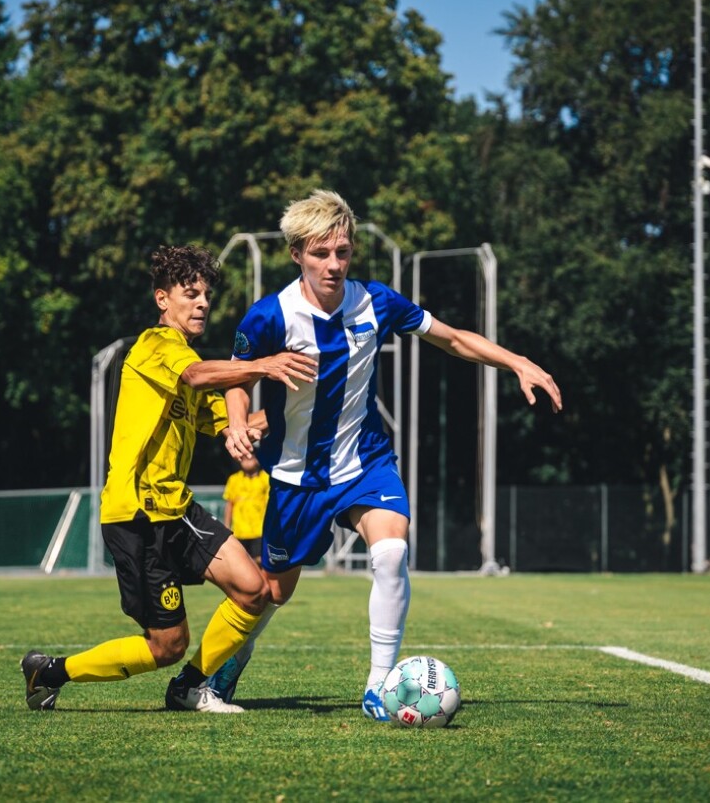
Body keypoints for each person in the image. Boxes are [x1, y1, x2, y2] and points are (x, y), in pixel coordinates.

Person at [200, 189, 563, 721]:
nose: (334, 264)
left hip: (365, 463)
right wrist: (236, 422)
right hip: (296, 477)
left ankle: (379, 688)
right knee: (273, 591)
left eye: (342, 252)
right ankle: (227, 663)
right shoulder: (268, 315)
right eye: (321, 253)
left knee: (391, 553)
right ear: (297, 253)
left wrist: (516, 362)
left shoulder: (376, 302)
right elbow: (238, 375)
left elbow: (454, 339)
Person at [21, 245, 317, 713]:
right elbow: (198, 376)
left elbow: (229, 424)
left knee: (253, 589)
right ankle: (50, 671)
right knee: (166, 645)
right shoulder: (156, 346)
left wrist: (301, 416)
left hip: (176, 507)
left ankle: (191, 687)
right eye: (190, 293)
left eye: (207, 295)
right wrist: (263, 364)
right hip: (135, 513)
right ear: (163, 299)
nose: (203, 303)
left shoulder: (190, 360)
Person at [223, 451, 269, 561]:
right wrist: (226, 526)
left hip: (259, 530)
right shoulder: (234, 479)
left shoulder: (266, 478)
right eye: (243, 458)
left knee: (259, 561)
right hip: (239, 531)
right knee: (241, 561)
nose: (246, 461)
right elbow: (230, 505)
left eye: (250, 458)